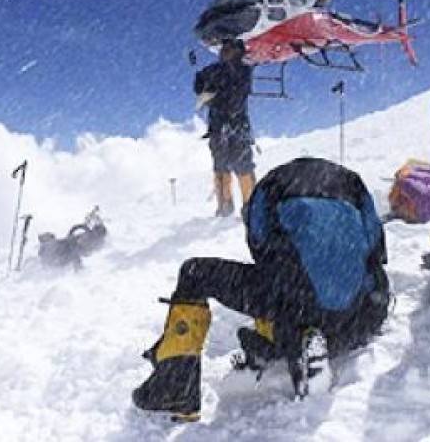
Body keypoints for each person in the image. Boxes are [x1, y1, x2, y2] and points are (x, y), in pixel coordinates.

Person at [132, 157, 389, 420]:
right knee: (326, 292)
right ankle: (307, 338)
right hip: (359, 319)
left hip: (298, 305)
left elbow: (260, 247)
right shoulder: (352, 183)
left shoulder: (270, 188)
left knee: (195, 272)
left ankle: (176, 387)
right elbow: (377, 252)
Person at [194, 38, 257, 217]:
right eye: (223, 49)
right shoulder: (215, 70)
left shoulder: (243, 71)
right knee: (220, 166)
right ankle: (224, 206)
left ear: (237, 52)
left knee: (243, 166)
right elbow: (198, 84)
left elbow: (234, 98)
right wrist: (209, 92)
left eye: (228, 49)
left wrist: (212, 96)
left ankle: (249, 207)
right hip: (219, 127)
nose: (223, 52)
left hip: (236, 127)